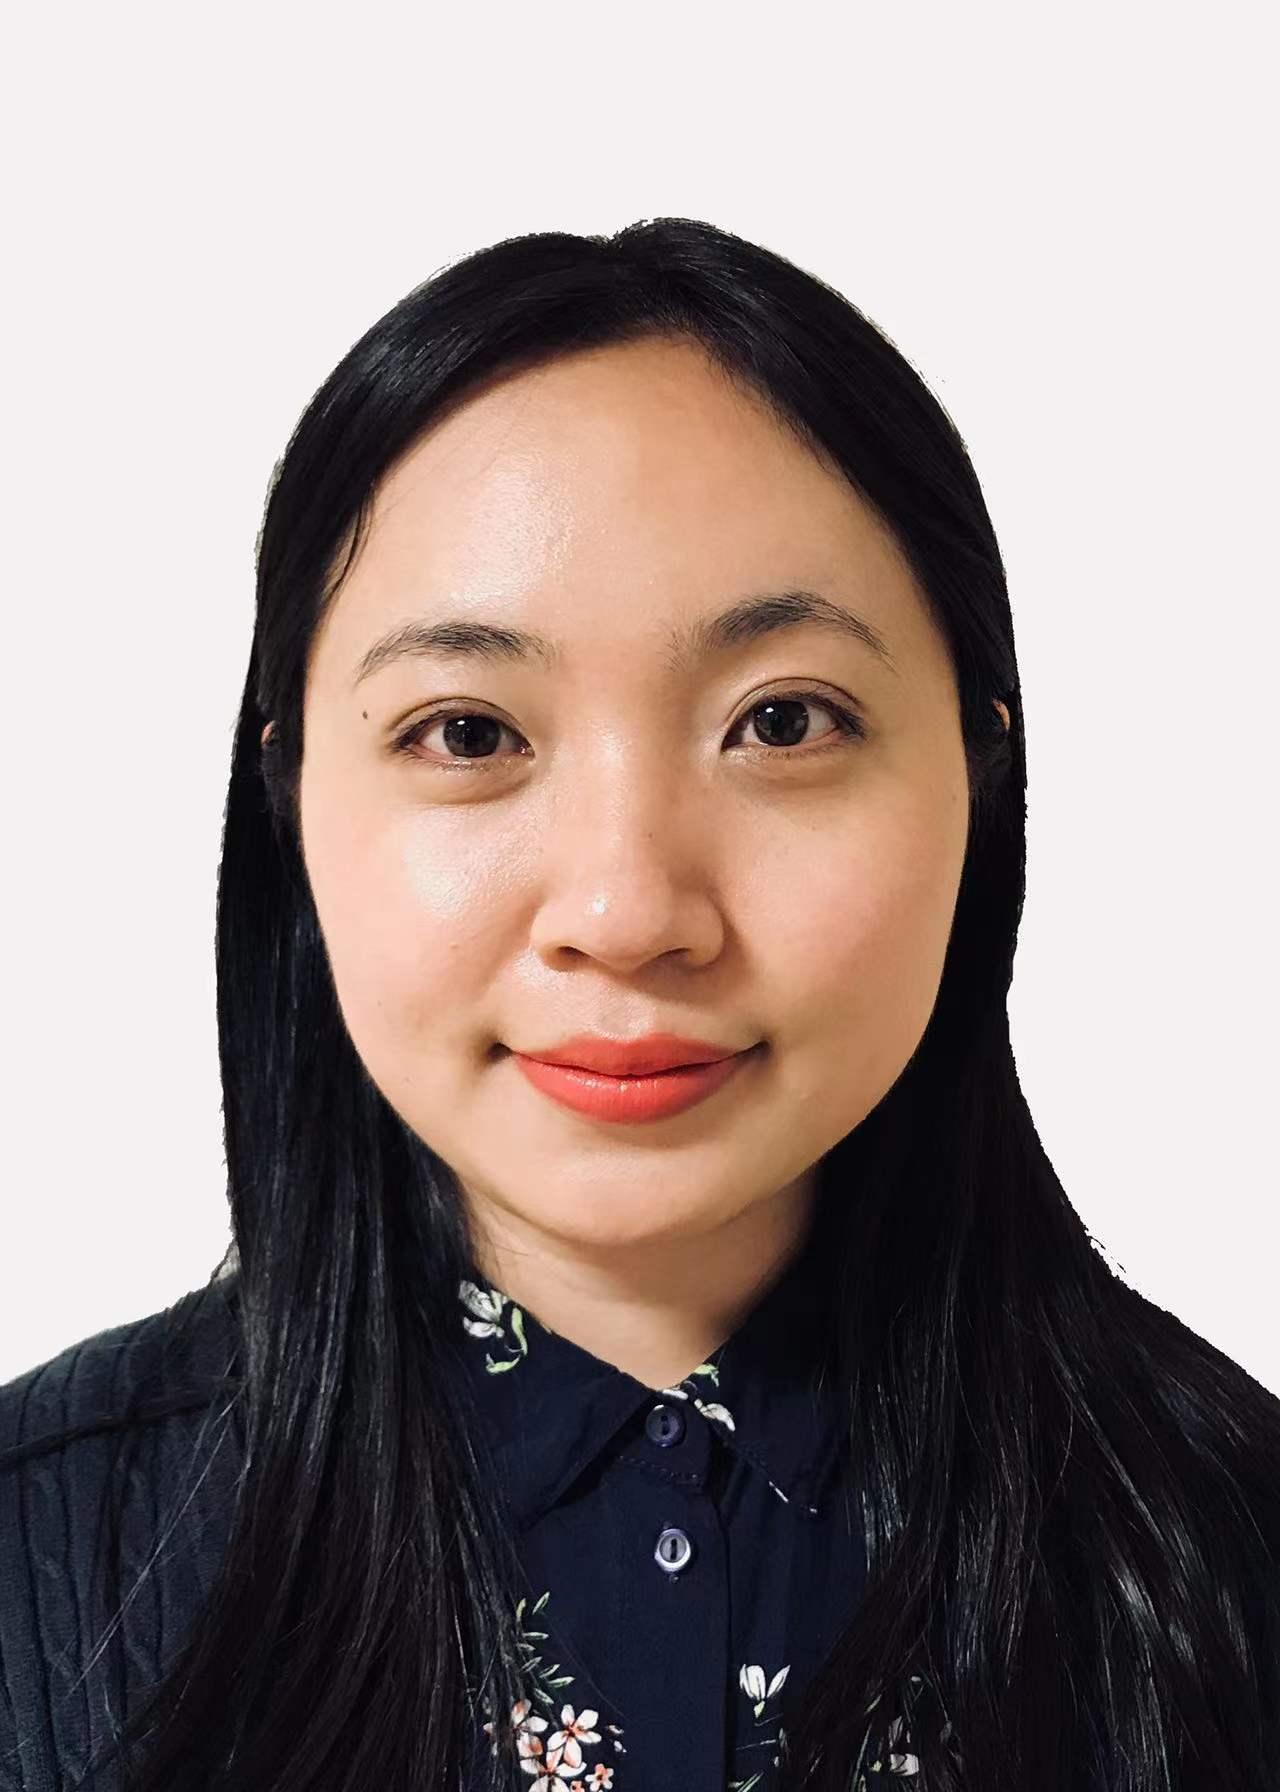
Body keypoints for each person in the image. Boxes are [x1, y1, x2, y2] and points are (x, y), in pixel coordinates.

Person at [1, 218, 1277, 1792]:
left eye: (783, 721)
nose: (625, 913)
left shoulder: (1236, 1559)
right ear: (293, 794)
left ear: (979, 767)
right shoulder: (41, 1552)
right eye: (468, 733)